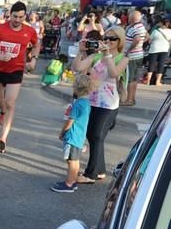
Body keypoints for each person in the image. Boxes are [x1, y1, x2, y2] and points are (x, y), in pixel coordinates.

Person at [0, 1, 38, 154]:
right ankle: (3, 112)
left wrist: (33, 59)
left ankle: (2, 139)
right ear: (9, 14)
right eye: (14, 16)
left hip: (16, 70)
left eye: (20, 17)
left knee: (10, 102)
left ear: (24, 16)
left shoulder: (29, 31)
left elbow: (37, 44)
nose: (17, 20)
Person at [72, 27, 128, 184]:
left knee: (96, 135)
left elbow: (114, 73)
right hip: (92, 101)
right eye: (106, 38)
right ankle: (100, 170)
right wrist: (81, 51)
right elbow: (78, 68)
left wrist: (107, 55)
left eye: (112, 39)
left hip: (108, 104)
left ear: (120, 41)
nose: (108, 41)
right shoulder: (96, 56)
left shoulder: (123, 58)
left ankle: (90, 174)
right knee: (94, 136)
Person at [51, 74, 92, 193]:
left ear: (76, 88)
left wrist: (62, 132)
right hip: (79, 137)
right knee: (75, 160)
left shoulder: (78, 104)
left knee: (71, 161)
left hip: (72, 137)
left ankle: (69, 183)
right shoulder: (86, 103)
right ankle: (72, 181)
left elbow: (70, 121)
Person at [123, 10, 147, 106]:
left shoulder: (133, 28)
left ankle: (129, 100)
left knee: (130, 78)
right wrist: (140, 45)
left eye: (129, 17)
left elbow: (137, 39)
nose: (128, 18)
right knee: (134, 79)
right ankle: (132, 99)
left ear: (132, 18)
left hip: (132, 56)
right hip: (139, 55)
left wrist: (129, 49)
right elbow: (147, 36)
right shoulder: (142, 27)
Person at [145, 16, 171, 86]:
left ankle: (148, 81)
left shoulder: (156, 31)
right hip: (164, 50)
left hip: (154, 49)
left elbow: (150, 41)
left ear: (161, 23)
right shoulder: (170, 31)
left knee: (151, 65)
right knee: (161, 65)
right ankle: (158, 81)